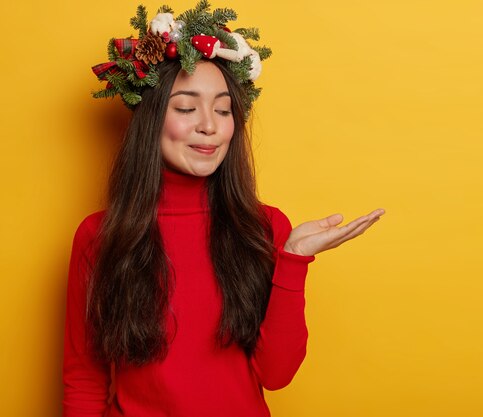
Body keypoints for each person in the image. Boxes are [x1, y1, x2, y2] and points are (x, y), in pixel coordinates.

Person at [63, 3, 384, 416]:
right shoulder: (100, 236)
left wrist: (295, 260)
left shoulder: (264, 226)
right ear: (151, 119)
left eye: (222, 109)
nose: (209, 126)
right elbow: (83, 379)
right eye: (185, 107)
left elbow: (276, 375)